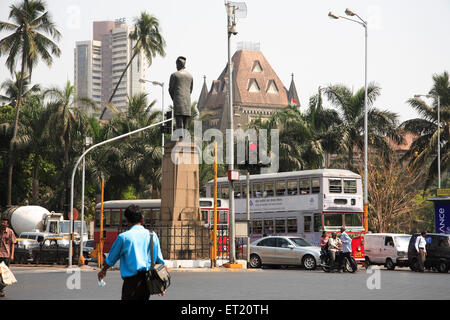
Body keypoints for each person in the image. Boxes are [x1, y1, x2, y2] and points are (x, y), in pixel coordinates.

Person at [97, 205, 165, 300]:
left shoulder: (124, 237)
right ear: (142, 218)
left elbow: (111, 259)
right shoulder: (152, 235)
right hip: (147, 282)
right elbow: (160, 261)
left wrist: (103, 270)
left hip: (131, 283)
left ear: (127, 220)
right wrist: (161, 283)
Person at [169, 56, 193, 132]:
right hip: (187, 102)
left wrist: (175, 98)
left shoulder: (174, 75)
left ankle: (180, 140)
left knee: (179, 124)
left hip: (178, 101)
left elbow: (170, 89)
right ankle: (185, 139)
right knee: (185, 124)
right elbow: (190, 90)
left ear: (178, 65)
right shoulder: (190, 76)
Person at [0, 218, 16, 297]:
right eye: (2, 223)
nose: (3, 224)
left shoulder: (10, 232)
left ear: (7, 224)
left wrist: (12, 255)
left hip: (6, 255)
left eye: (4, 223)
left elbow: (13, 243)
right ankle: (1, 290)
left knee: (5, 275)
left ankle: (0, 288)